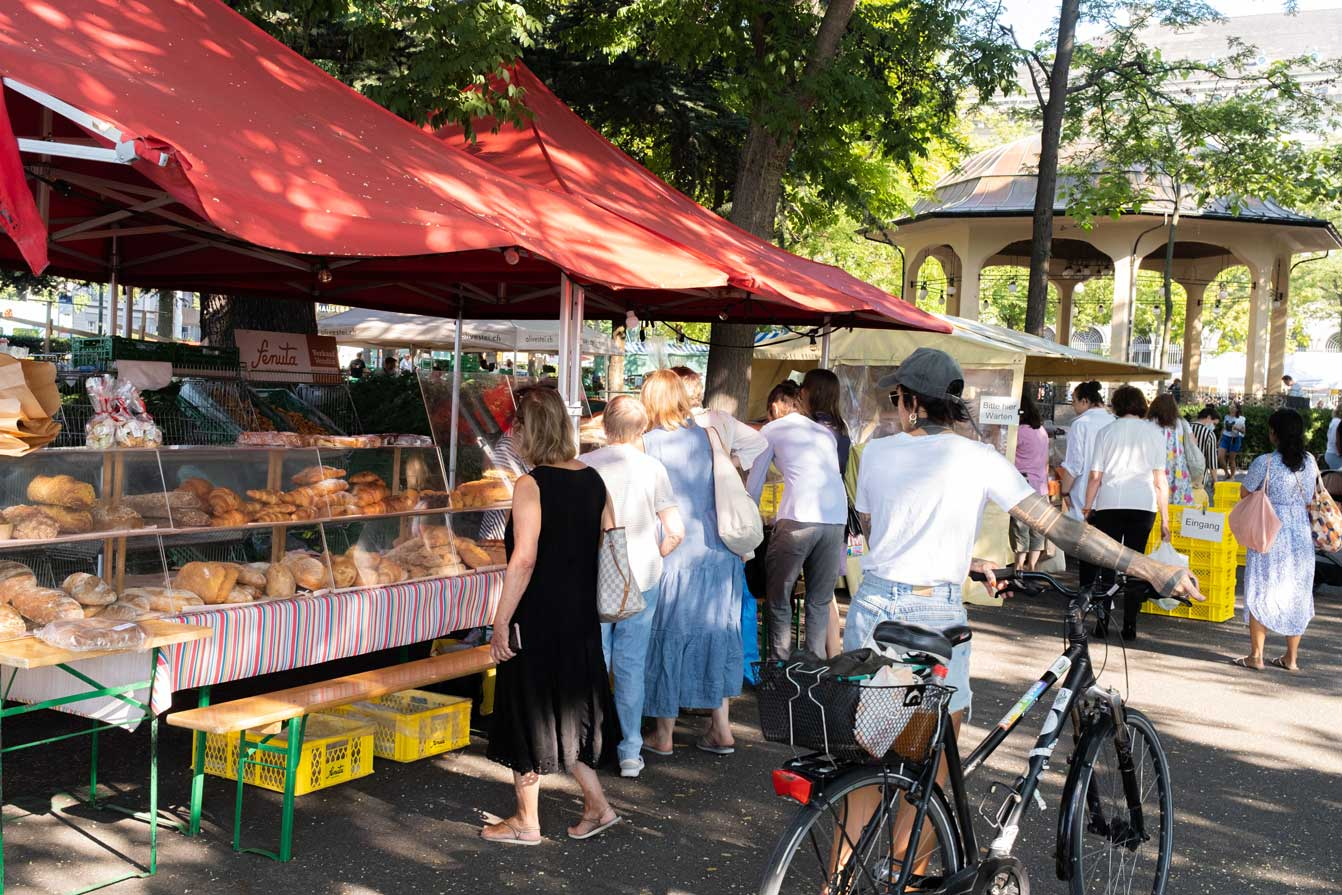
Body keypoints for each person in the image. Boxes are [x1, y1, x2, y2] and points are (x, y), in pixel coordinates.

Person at [848, 349, 1201, 717]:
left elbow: (882, 537)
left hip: (874, 603)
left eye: (897, 396)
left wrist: (960, 559)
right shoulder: (978, 457)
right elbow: (1061, 529)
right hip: (934, 608)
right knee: (937, 730)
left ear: (913, 401)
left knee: (871, 738)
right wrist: (1152, 569)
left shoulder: (875, 452)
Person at [483, 387, 621, 845]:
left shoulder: (532, 484)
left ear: (527, 431)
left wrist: (501, 621)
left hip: (539, 616)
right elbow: (603, 542)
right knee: (571, 712)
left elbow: (523, 559)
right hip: (580, 616)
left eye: (517, 427)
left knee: (530, 711)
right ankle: (598, 806)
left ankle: (526, 821)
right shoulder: (594, 479)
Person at [639, 370, 743, 757]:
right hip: (716, 549)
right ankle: (722, 728)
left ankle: (663, 734)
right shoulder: (706, 435)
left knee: (669, 635)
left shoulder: (647, 443)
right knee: (715, 633)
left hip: (673, 550)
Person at [580, 396, 684, 778]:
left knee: (595, 662)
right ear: (643, 430)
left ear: (604, 426)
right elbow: (676, 530)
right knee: (631, 666)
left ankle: (590, 745)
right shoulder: (653, 468)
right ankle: (629, 751)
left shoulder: (586, 465)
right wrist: (654, 553)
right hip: (642, 576)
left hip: (594, 575)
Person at [746, 379, 847, 660]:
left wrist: (747, 525)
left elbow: (753, 486)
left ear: (777, 406)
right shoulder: (825, 433)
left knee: (779, 597)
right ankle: (812, 670)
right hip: (835, 519)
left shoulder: (771, 430)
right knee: (818, 600)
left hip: (798, 518)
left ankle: (781, 669)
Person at [1081, 386, 1169, 641]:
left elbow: (1095, 476)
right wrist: (1165, 519)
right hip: (1143, 504)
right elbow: (1160, 479)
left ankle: (1103, 621)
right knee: (1135, 564)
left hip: (1110, 502)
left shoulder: (1106, 432)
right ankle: (1130, 623)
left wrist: (1087, 507)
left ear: (1117, 405)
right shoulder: (1154, 434)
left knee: (1108, 563)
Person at [1232, 409, 1316, 672]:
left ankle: (1256, 656)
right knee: (1298, 591)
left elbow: (1245, 492)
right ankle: (1291, 658)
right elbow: (1311, 495)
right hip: (1300, 534)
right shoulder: (1310, 462)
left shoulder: (1265, 462)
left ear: (1274, 433)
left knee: (1261, 587)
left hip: (1268, 530)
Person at [799, 367, 852, 658]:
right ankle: (833, 653)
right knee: (825, 591)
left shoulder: (811, 430)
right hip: (836, 514)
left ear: (809, 392)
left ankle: (820, 656)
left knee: (817, 595)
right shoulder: (841, 429)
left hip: (810, 512)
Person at [671, 366, 769, 472]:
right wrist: (728, 465)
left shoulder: (671, 424)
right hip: (719, 484)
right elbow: (759, 442)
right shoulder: (722, 418)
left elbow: (759, 442)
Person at [1059, 381, 1114, 518]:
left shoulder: (1080, 425)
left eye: (1073, 401)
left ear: (1084, 401)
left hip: (1082, 496)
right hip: (1109, 498)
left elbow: (1074, 464)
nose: (1072, 405)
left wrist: (1064, 491)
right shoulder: (1113, 421)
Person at [1011, 390, 1049, 570]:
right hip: (1041, 485)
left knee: (1021, 529)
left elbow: (1005, 452)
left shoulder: (1019, 432)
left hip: (1023, 484)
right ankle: (1032, 567)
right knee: (1037, 529)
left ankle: (1018, 567)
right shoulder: (1041, 431)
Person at [1148, 393, 1196, 507]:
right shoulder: (1180, 423)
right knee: (1177, 501)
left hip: (1154, 466)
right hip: (1177, 467)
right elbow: (1193, 443)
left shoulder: (1149, 423)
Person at [1190, 405, 1221, 487]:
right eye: (1214, 423)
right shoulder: (1209, 434)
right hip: (1200, 480)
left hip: (1183, 476)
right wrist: (1215, 480)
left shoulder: (1185, 428)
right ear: (1208, 417)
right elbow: (1212, 461)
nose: (1214, 427)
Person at [1220, 402, 1247, 478]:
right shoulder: (1226, 417)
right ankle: (1226, 473)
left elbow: (1244, 431)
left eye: (1233, 407)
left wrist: (1236, 428)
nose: (1231, 407)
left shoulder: (1241, 419)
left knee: (1232, 459)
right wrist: (1219, 439)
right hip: (1225, 438)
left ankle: (1232, 476)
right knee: (1220, 457)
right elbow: (1224, 428)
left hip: (1235, 439)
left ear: (1237, 409)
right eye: (1230, 406)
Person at [1325, 402, 1342, 470]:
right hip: (1335, 455)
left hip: (1332, 454)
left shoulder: (1335, 421)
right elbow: (1336, 441)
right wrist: (1339, 453)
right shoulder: (1337, 422)